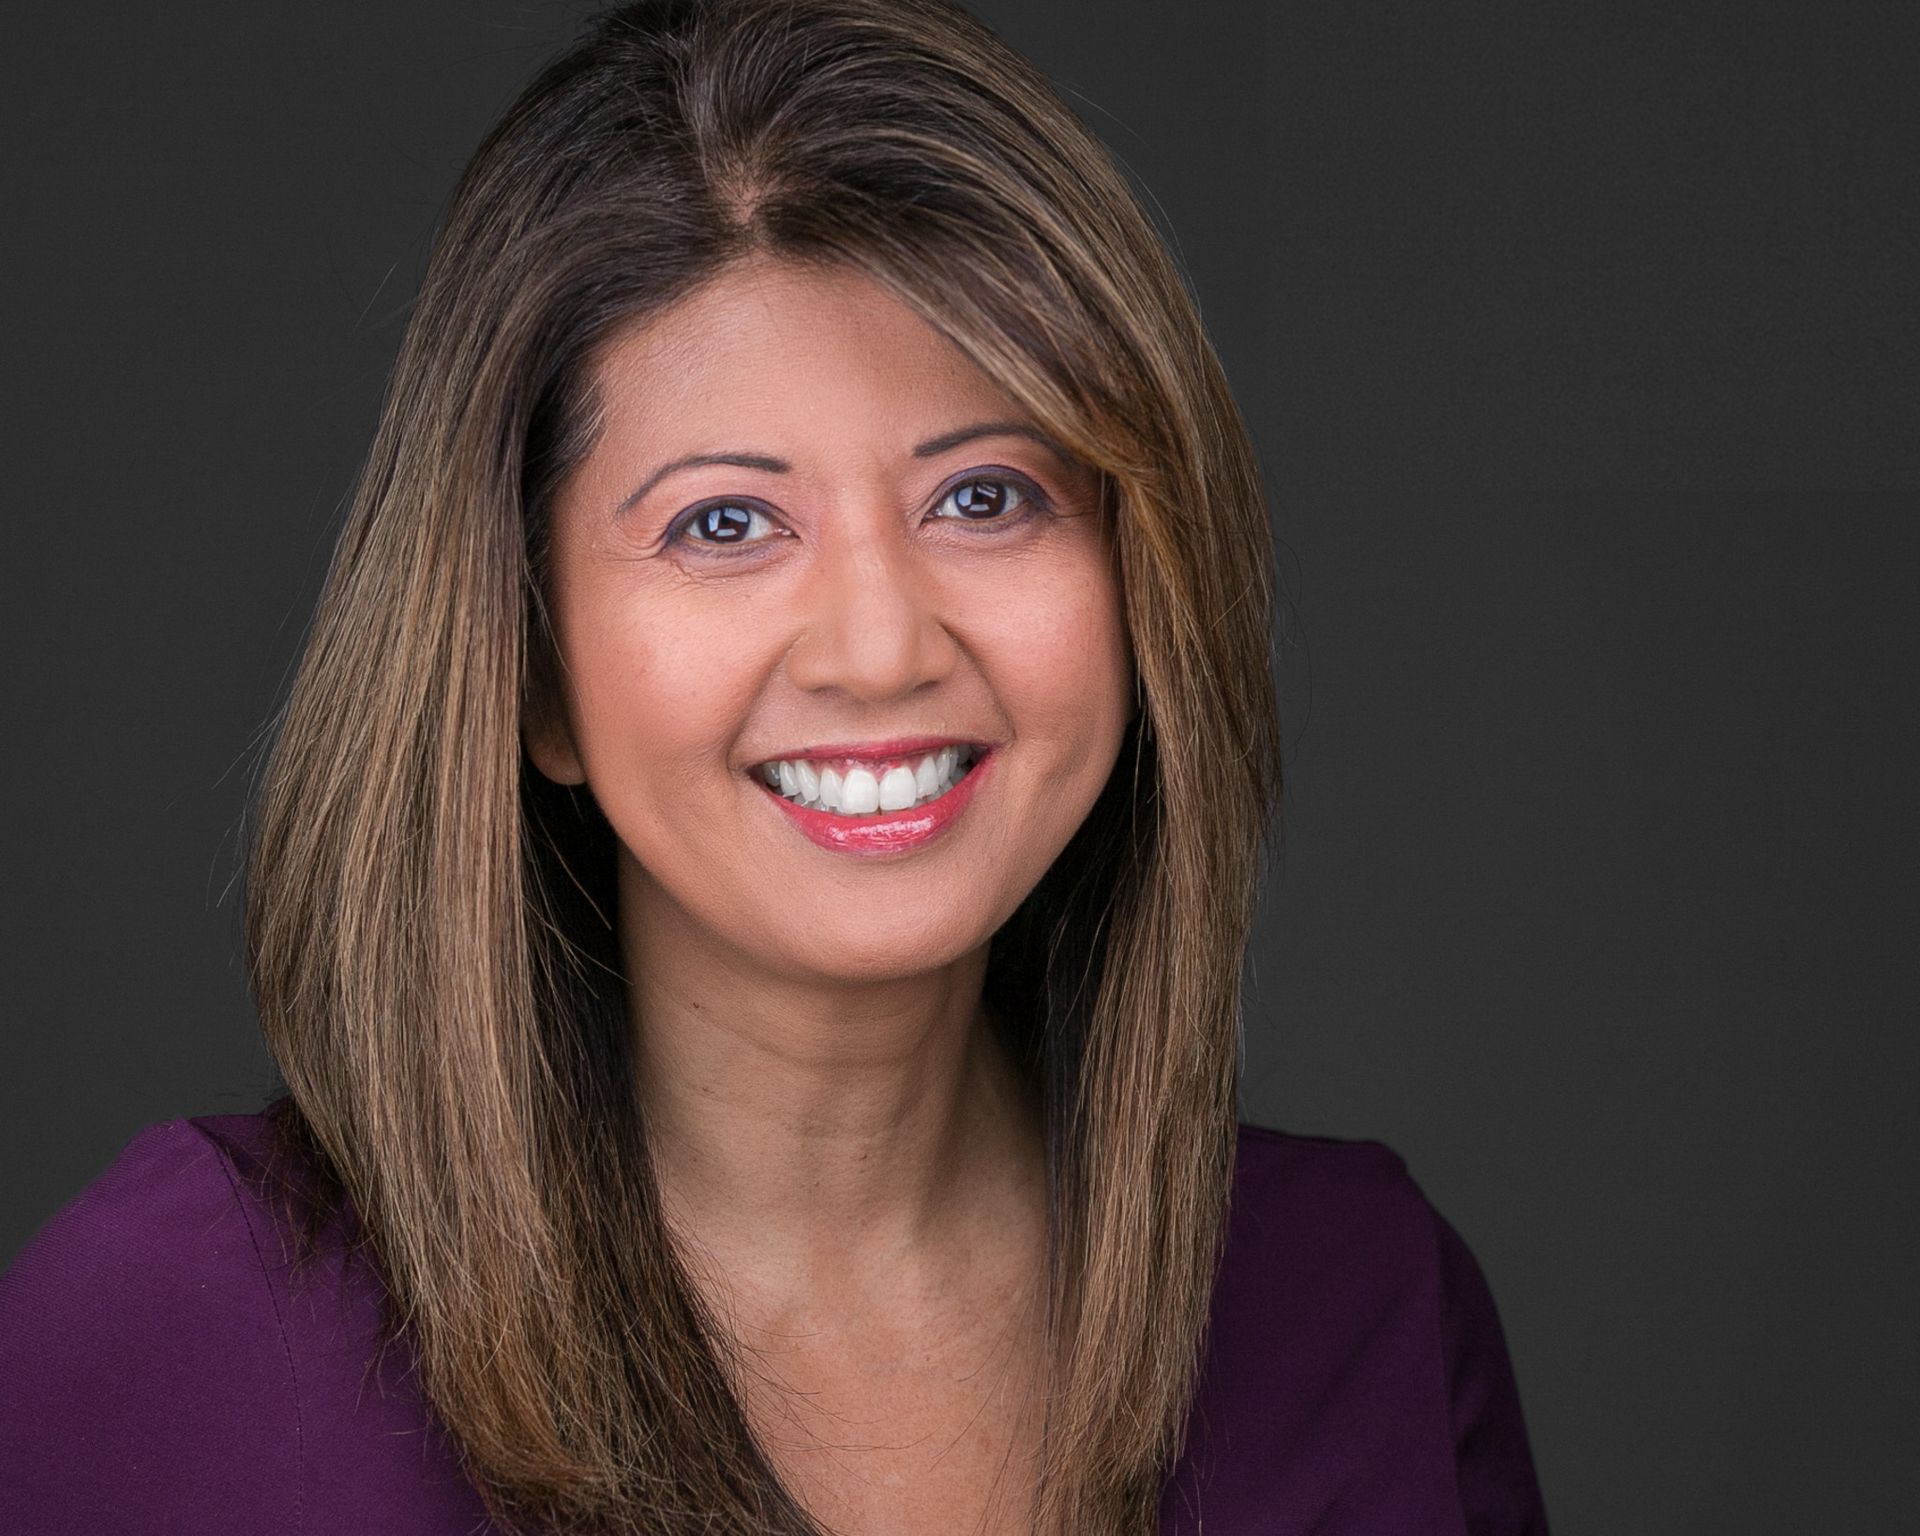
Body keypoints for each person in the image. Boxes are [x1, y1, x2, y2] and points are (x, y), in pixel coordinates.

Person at [0, 1, 1550, 1532]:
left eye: (988, 495)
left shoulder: (1365, 1313)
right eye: (725, 524)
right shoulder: (197, 1328)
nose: (878, 648)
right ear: (529, 665)